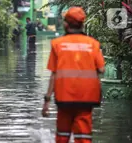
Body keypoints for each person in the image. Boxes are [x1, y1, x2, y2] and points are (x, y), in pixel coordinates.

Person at [42, 7, 105, 143]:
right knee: (84, 138)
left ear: (66, 24)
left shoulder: (57, 44)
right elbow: (101, 69)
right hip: (87, 99)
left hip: (64, 98)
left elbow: (53, 74)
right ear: (83, 24)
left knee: (62, 136)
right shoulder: (93, 44)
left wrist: (47, 101)